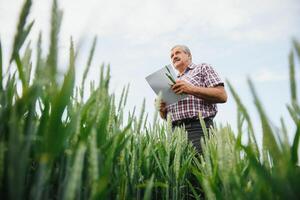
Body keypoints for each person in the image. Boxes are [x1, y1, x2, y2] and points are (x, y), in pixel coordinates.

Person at [159, 45, 227, 153]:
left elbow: (222, 95)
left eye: (178, 53)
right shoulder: (170, 81)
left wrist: (190, 89)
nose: (174, 56)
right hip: (174, 133)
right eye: (172, 55)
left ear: (189, 56)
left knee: (200, 166)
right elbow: (165, 117)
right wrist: (162, 109)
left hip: (198, 129)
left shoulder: (202, 68)